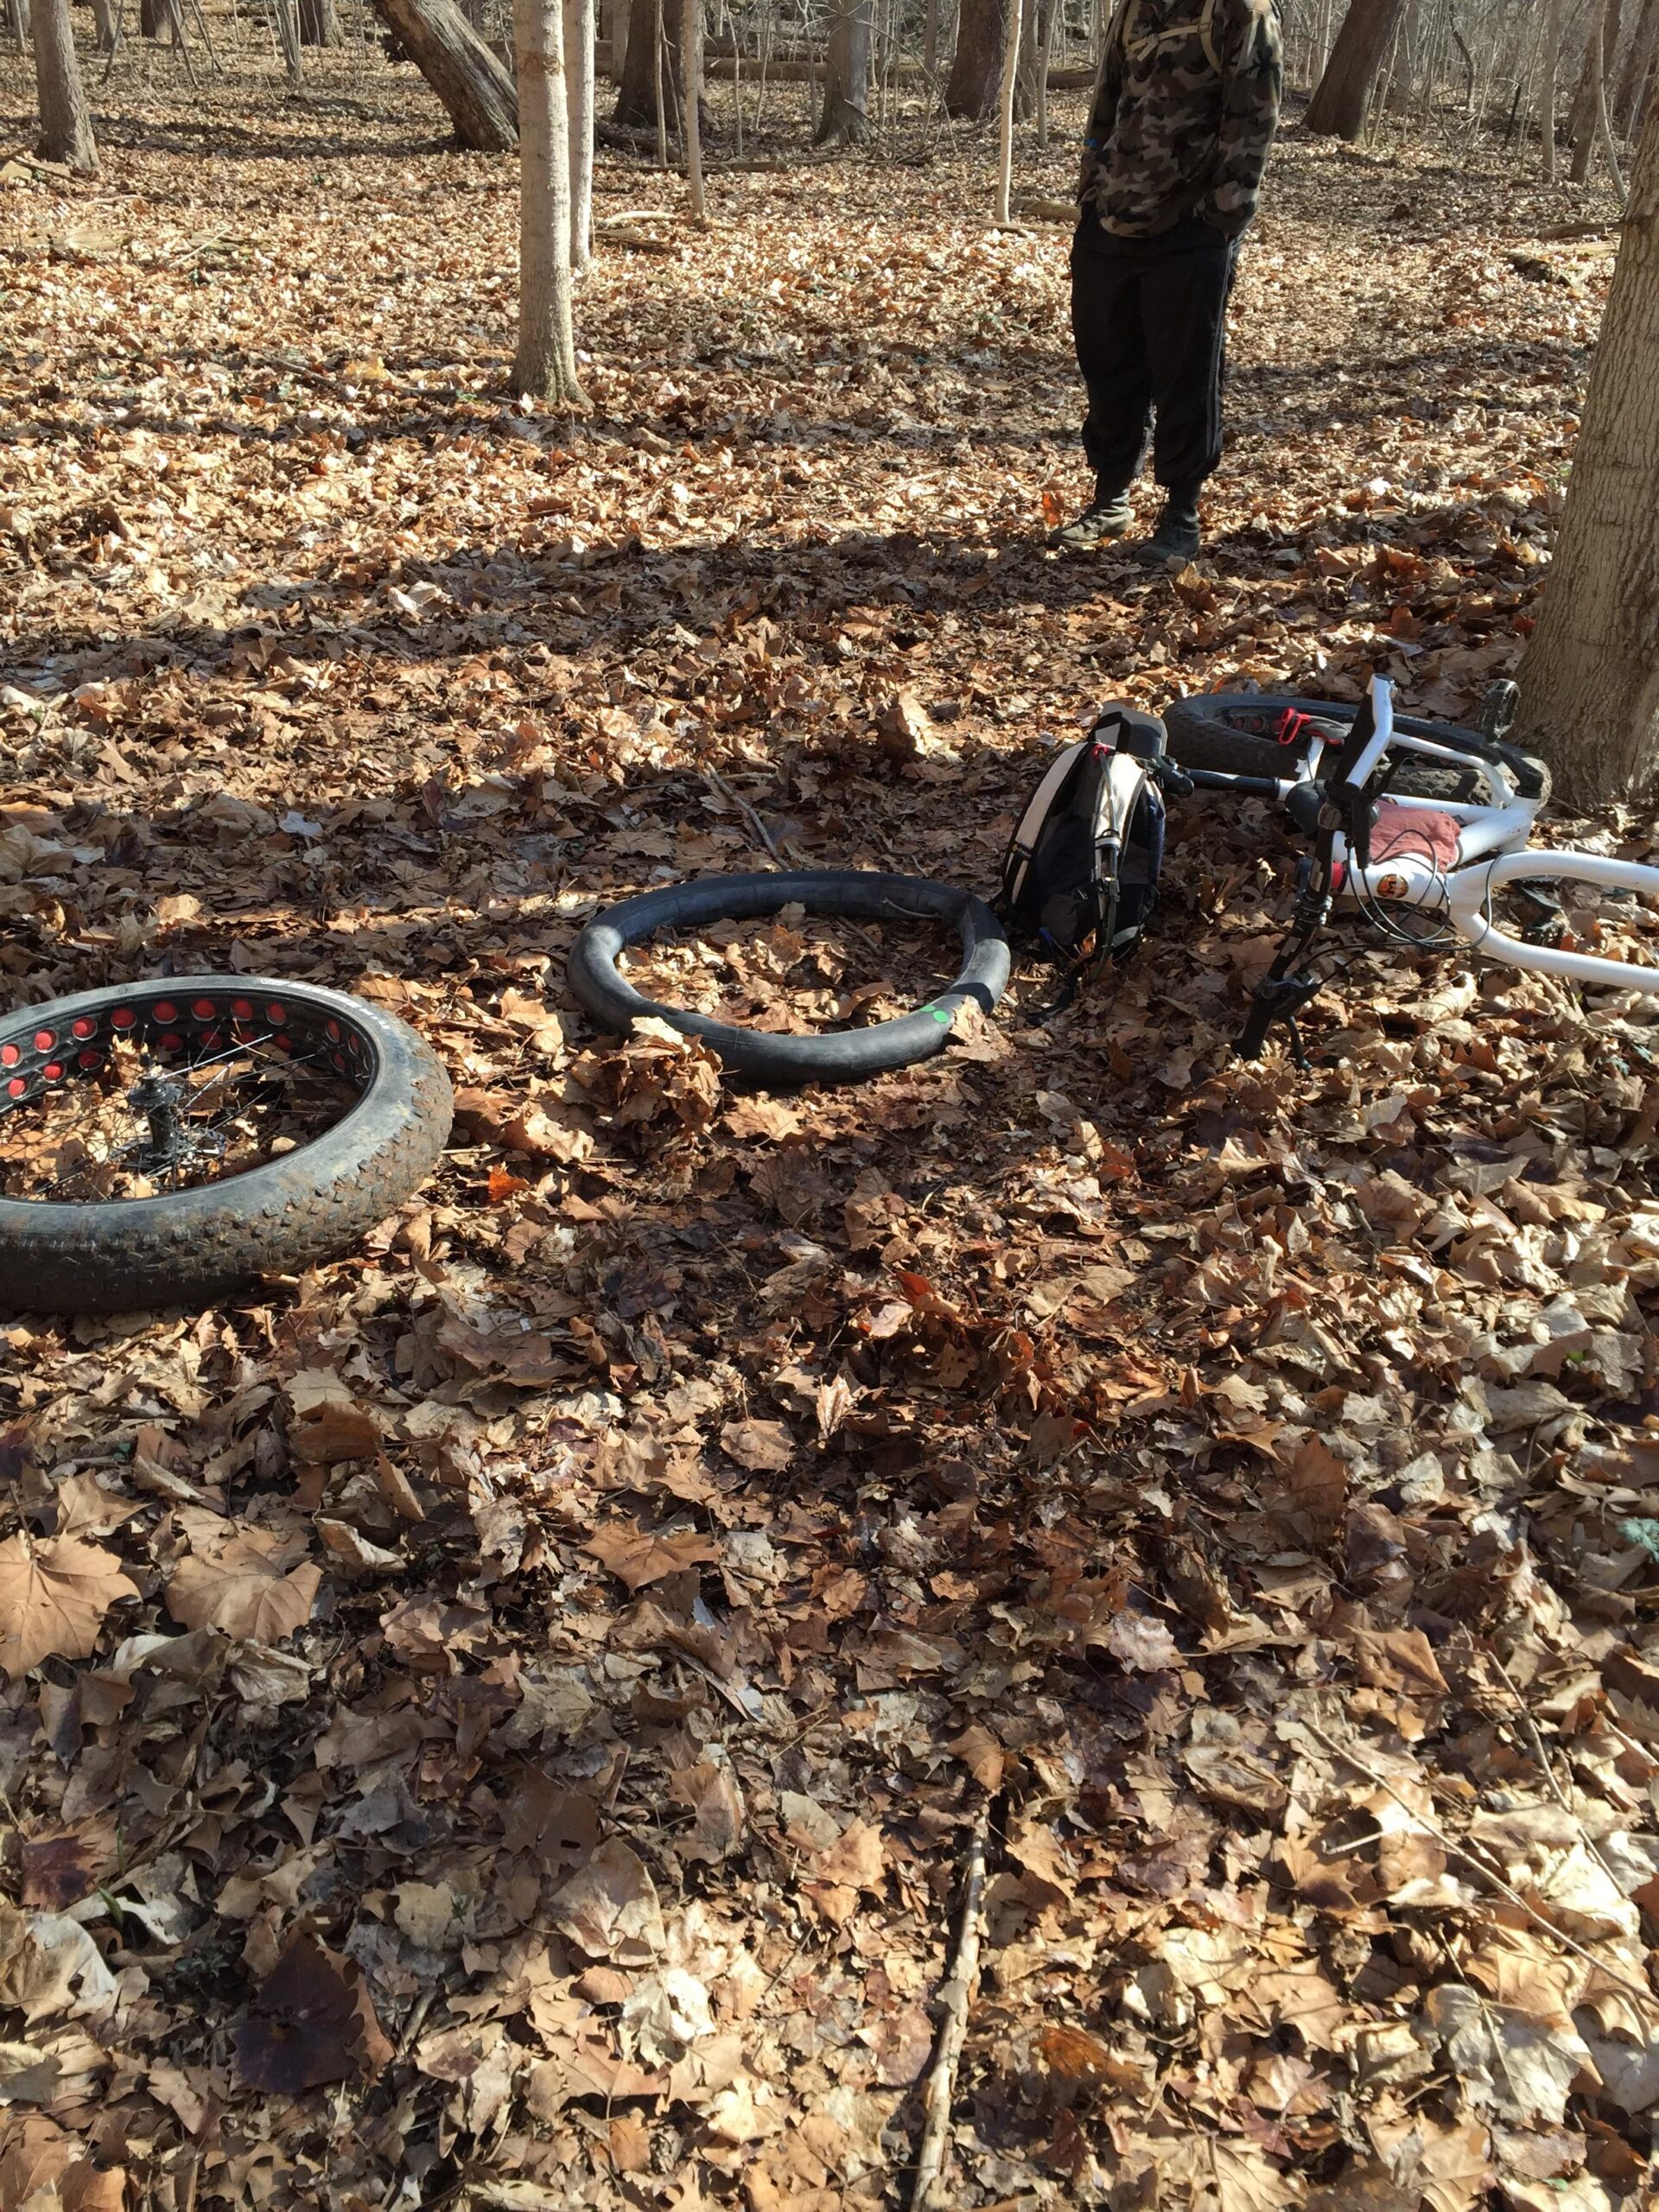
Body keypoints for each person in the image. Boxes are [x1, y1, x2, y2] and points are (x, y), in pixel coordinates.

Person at [1054, 0, 1282, 564]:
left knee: (1186, 371)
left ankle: (1180, 514)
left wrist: (1221, 218)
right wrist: (1089, 194)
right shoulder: (1135, 9)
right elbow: (1106, 101)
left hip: (1189, 229)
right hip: (1109, 222)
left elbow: (1252, 116)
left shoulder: (1241, 11)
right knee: (1108, 362)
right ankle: (1111, 498)